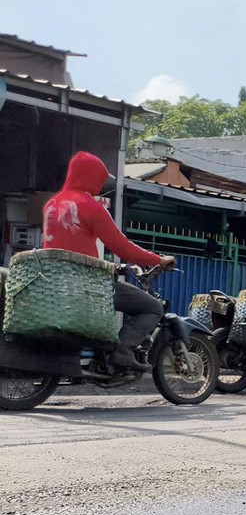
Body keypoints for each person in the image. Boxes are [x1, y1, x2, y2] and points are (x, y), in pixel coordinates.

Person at [42, 151, 176, 371]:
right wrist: (159, 259)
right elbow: (122, 247)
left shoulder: (52, 204)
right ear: (90, 176)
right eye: (100, 178)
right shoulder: (92, 207)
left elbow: (68, 245)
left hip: (57, 282)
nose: (101, 184)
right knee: (152, 307)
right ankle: (121, 351)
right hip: (88, 284)